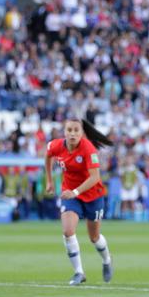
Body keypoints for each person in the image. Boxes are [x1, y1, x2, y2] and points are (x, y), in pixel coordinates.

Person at [44, 118, 114, 285]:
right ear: (64, 132)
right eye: (69, 130)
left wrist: (75, 192)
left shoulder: (88, 149)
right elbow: (48, 157)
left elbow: (95, 177)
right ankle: (79, 272)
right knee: (68, 231)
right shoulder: (55, 146)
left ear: (82, 133)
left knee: (94, 237)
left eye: (76, 130)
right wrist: (49, 181)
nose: (72, 133)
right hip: (70, 196)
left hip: (93, 196)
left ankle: (106, 260)